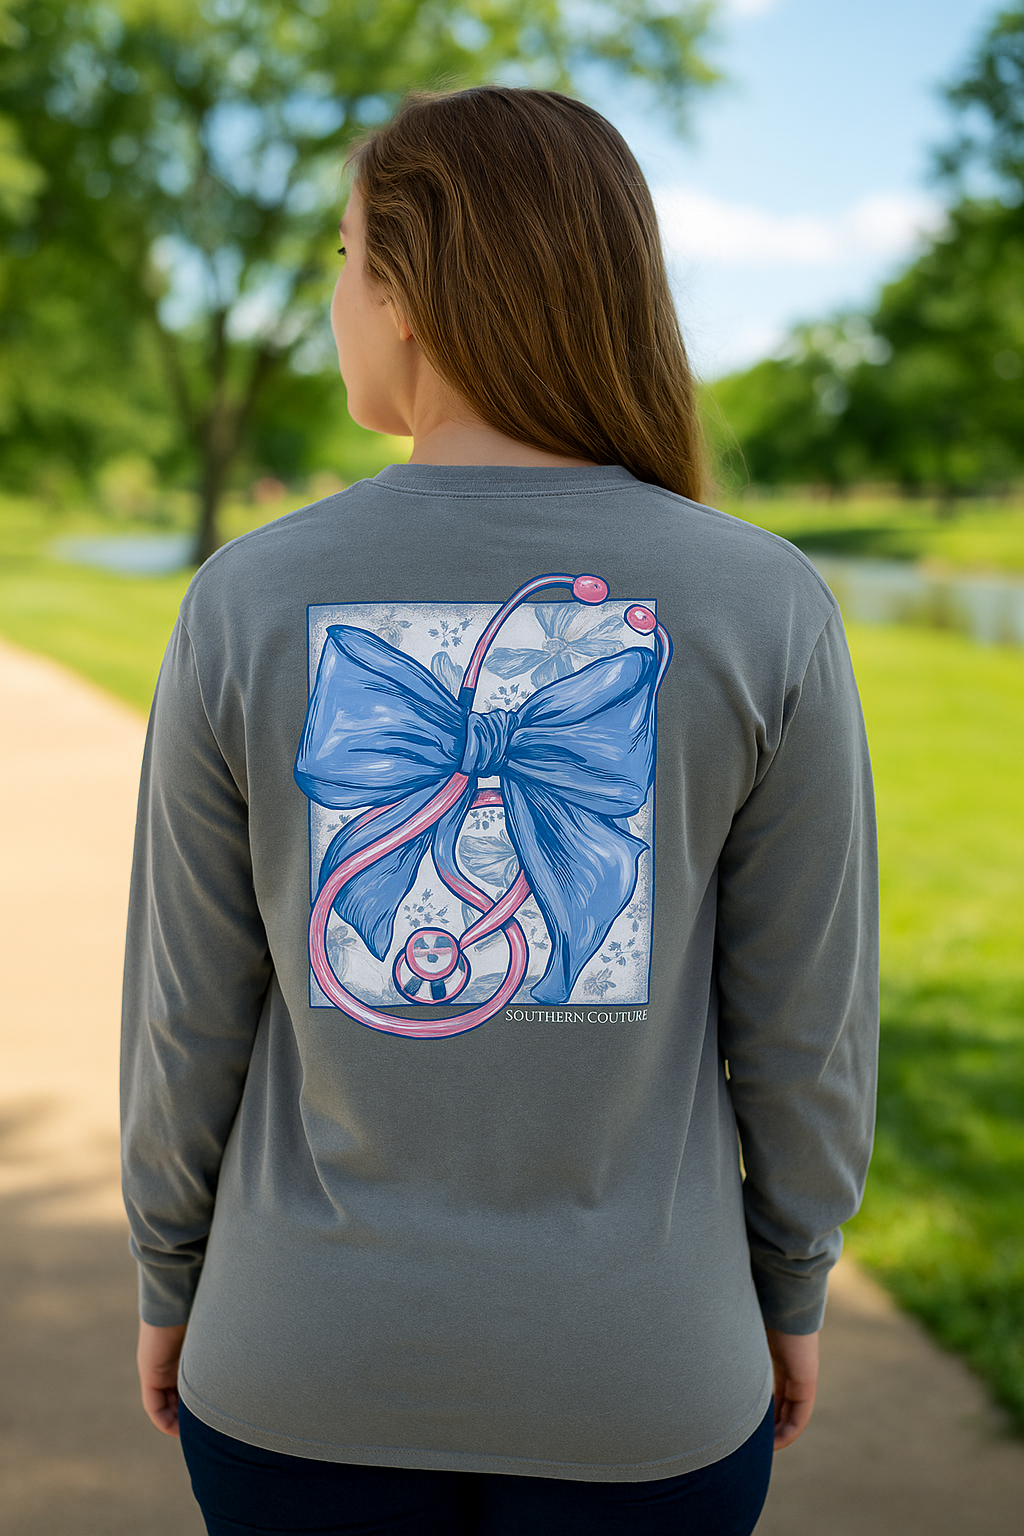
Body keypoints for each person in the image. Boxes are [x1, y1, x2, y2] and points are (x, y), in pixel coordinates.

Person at [121, 86, 878, 1536]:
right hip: (649, 1379)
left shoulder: (245, 601)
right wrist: (791, 1287)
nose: (335, 298)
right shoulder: (766, 604)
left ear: (406, 293)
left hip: (299, 1365)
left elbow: (185, 1015)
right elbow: (807, 1030)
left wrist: (170, 1274)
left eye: (344, 257)